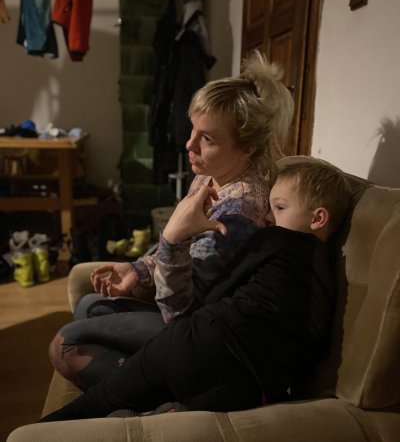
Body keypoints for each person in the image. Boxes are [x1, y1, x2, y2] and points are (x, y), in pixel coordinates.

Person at [48, 51, 294, 390]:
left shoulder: (238, 211)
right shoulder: (211, 175)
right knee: (91, 305)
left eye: (207, 138)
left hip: (197, 332)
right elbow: (182, 258)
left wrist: (171, 239)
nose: (189, 144)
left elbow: (180, 313)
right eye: (193, 129)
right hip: (182, 318)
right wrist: (137, 270)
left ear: (248, 148)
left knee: (66, 346)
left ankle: (158, 398)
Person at [41, 161, 351, 421]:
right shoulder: (329, 284)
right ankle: (156, 413)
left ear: (318, 218)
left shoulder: (276, 239)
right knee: (154, 412)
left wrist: (177, 239)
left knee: (93, 405)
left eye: (279, 208)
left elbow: (210, 295)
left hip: (202, 344)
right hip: (248, 387)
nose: (268, 218)